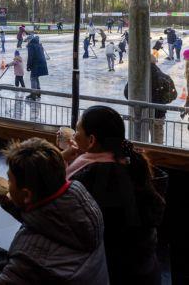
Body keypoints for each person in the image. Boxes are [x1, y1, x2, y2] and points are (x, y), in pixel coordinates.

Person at [0, 138, 109, 285]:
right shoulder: (81, 200)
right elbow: (53, 224)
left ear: (27, 195)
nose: (8, 184)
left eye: (10, 180)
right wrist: (11, 202)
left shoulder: (30, 262)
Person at [62, 106, 165, 284]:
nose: (74, 136)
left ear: (92, 140)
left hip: (109, 273)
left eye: (77, 130)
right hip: (145, 271)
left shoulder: (89, 177)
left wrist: (62, 158)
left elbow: (55, 216)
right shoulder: (129, 163)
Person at [124, 55, 175, 144]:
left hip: (139, 114)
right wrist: (161, 101)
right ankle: (156, 156)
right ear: (155, 62)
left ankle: (139, 156)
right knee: (157, 142)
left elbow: (127, 93)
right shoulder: (164, 77)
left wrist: (137, 101)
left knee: (138, 141)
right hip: (158, 114)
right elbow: (173, 94)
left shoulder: (137, 77)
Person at [26, 36, 48, 100]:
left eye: (27, 40)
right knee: (36, 77)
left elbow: (30, 57)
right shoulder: (38, 44)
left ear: (30, 40)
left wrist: (28, 66)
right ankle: (38, 93)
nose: (27, 41)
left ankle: (33, 94)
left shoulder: (31, 45)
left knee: (33, 78)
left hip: (36, 64)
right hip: (42, 63)